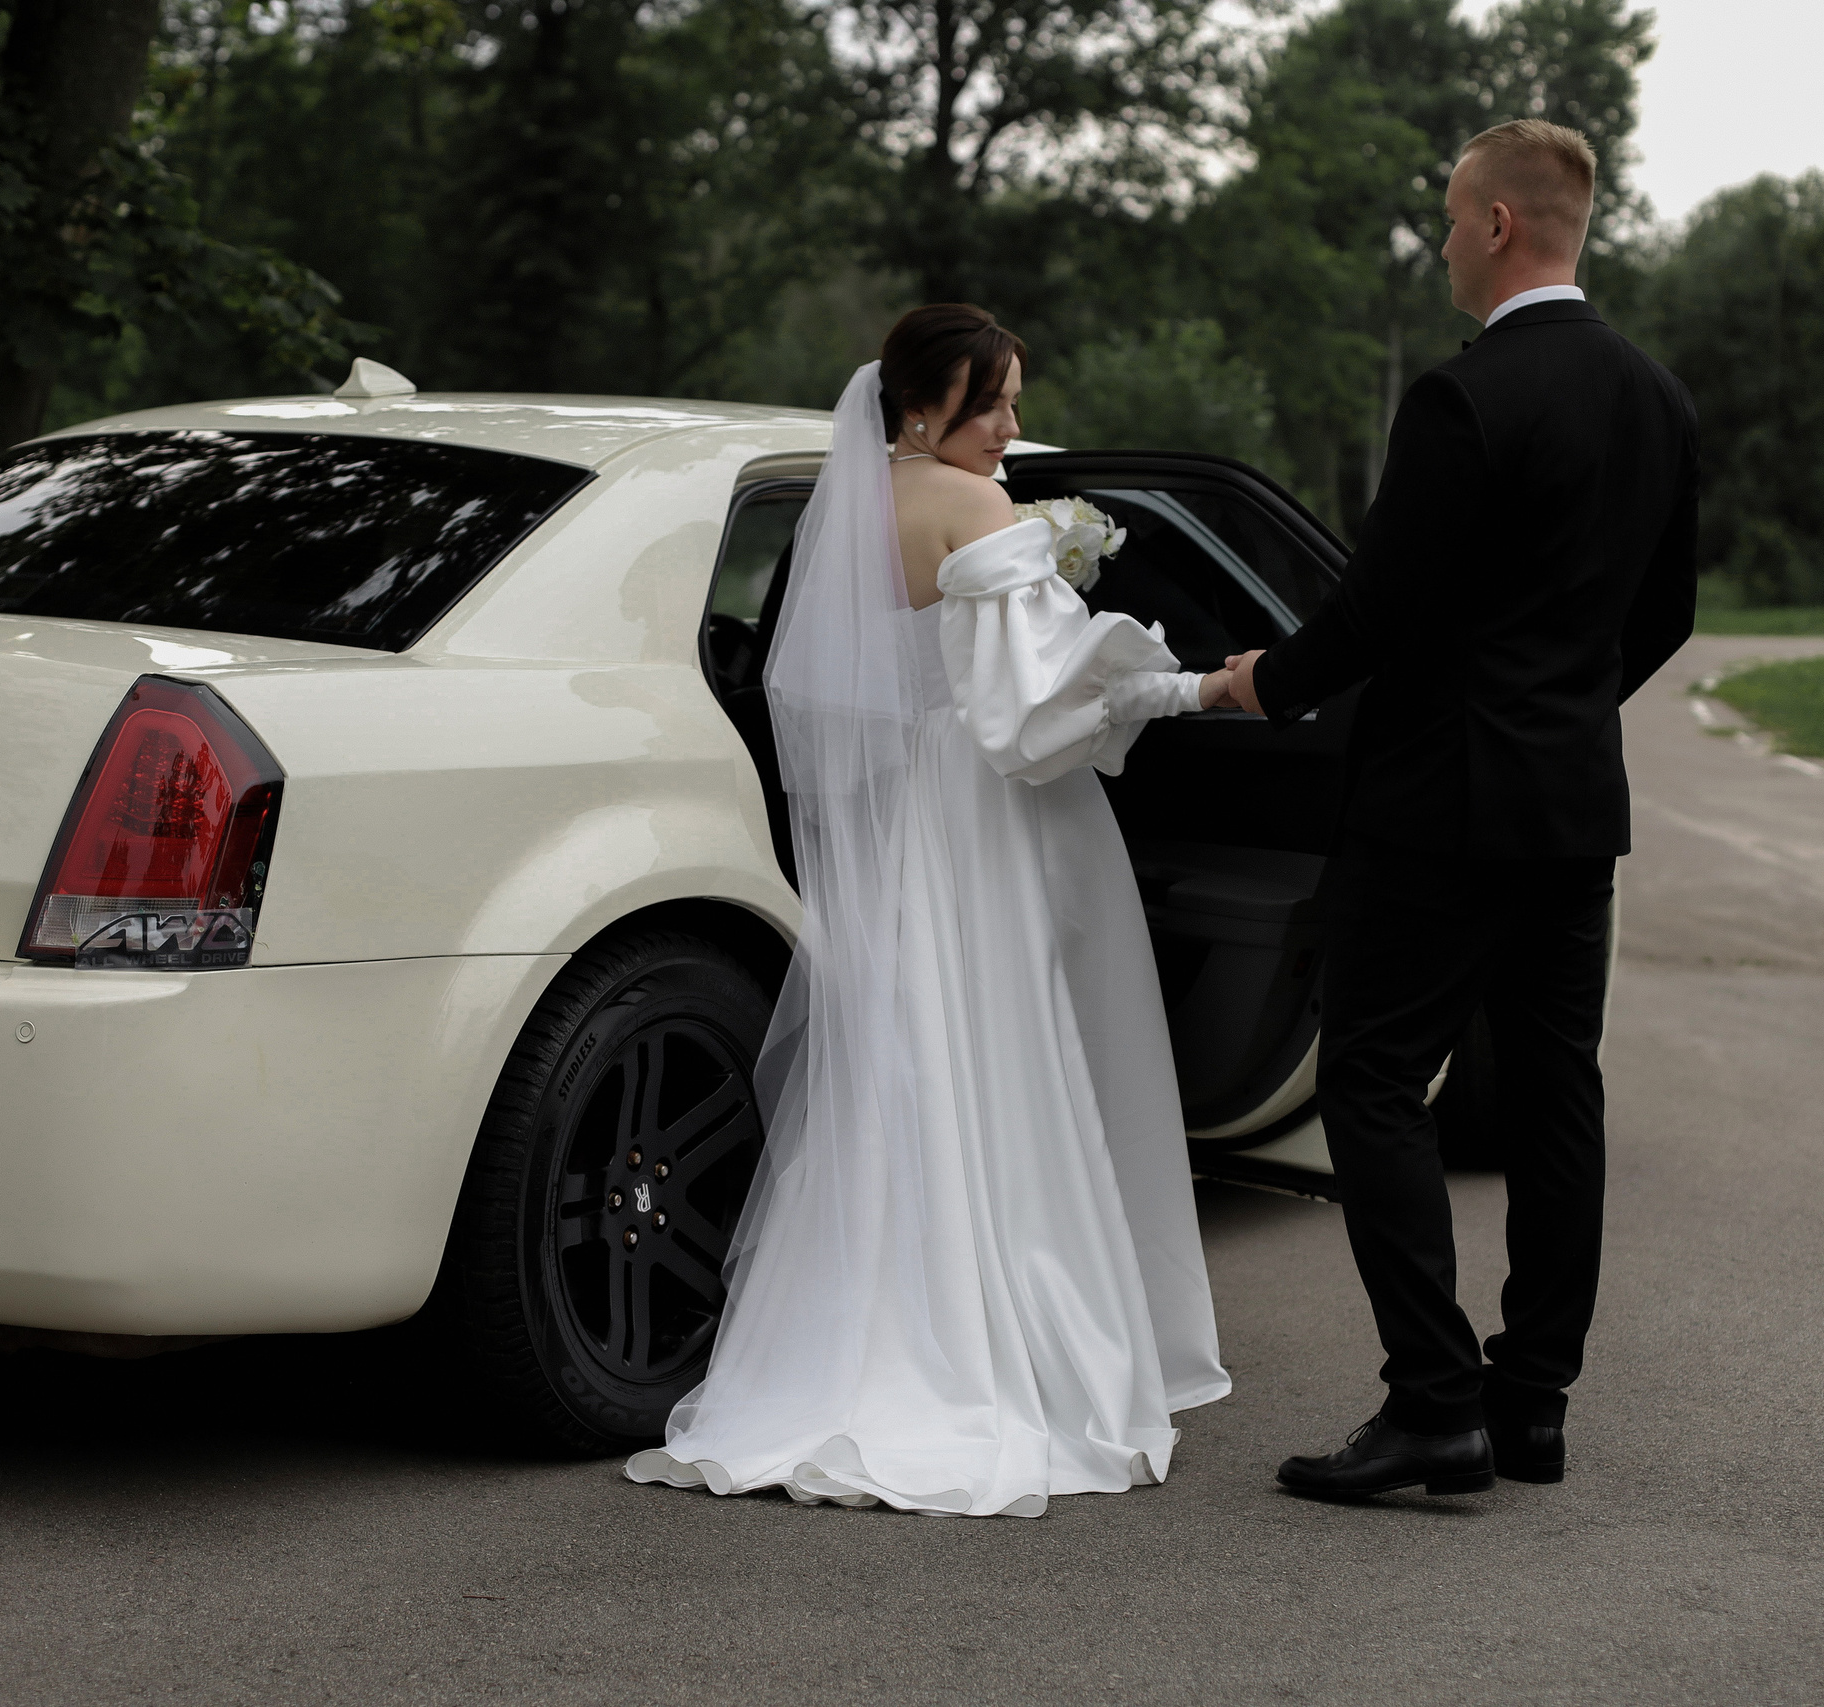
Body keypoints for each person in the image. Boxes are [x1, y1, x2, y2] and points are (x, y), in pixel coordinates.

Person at [625, 305, 1235, 1517]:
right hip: (988, 827)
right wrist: (1197, 687)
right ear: (920, 408)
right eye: (993, 405)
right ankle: (1000, 1344)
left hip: (908, 826)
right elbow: (1033, 711)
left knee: (909, 1072)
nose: (1013, 428)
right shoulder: (972, 509)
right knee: (1006, 1063)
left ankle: (864, 1339)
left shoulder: (849, 515)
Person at [1225, 119, 1699, 1500]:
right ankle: (1529, 1403)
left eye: (1447, 220)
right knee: (1559, 1099)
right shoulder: (1657, 397)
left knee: (1371, 1079)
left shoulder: (1465, 396)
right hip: (1568, 804)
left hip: (1435, 806)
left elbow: (1377, 608)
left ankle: (1435, 1403)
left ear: (1498, 225)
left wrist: (1263, 684)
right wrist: (1556, 714)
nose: (1441, 244)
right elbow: (1662, 614)